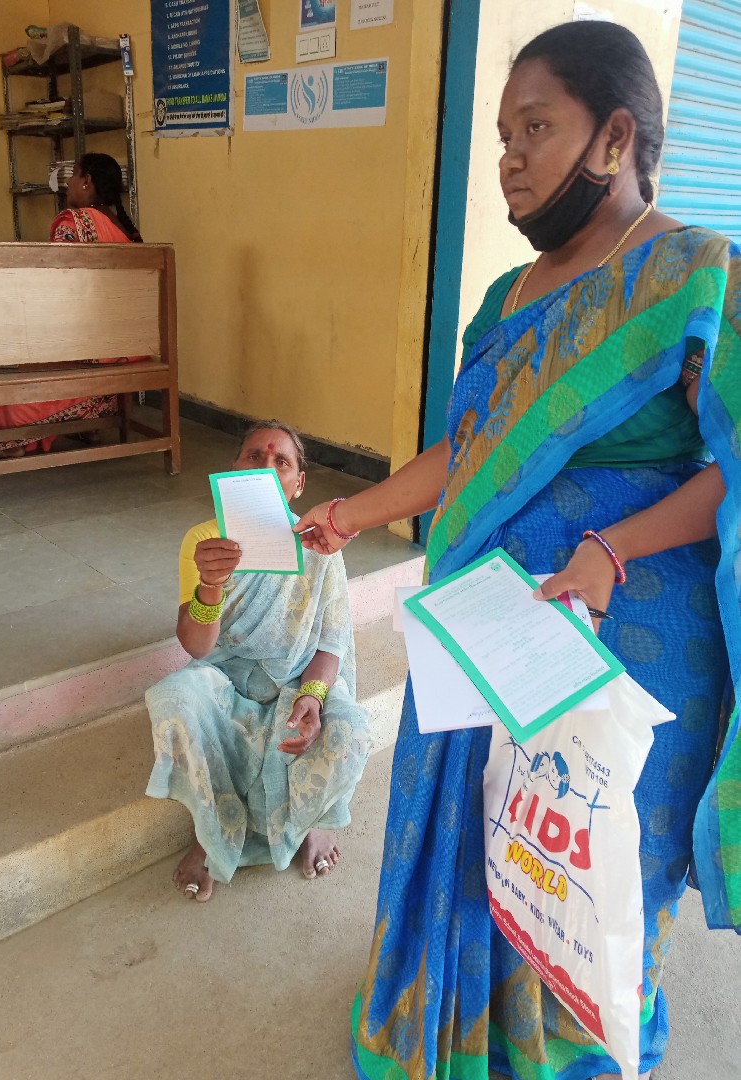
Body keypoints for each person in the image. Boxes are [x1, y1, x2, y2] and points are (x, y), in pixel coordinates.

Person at [294, 21, 740, 1080]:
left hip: (624, 623)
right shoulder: (508, 297)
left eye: (534, 128)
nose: (509, 158)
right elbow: (466, 451)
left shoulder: (694, 275)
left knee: (587, 853)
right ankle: (461, 1022)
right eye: (501, 136)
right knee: (476, 831)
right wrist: (352, 514)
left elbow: (732, 467)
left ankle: (569, 1044)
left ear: (614, 137)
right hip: (488, 620)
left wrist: (608, 550)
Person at [145, 421, 372, 901]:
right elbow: (196, 648)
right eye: (254, 456)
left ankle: (310, 819)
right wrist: (210, 585)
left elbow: (331, 642)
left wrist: (313, 698)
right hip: (226, 681)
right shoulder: (205, 540)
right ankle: (212, 834)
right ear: (234, 469)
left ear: (299, 483)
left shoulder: (320, 543)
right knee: (174, 698)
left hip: (298, 681)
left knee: (352, 731)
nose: (267, 468)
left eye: (281, 461)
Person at [0, 153, 143, 459]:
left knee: (15, 366)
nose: (68, 183)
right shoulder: (123, 228)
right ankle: (89, 422)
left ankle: (11, 440)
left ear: (87, 181)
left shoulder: (73, 223)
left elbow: (57, 289)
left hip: (91, 349)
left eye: (73, 175)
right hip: (127, 347)